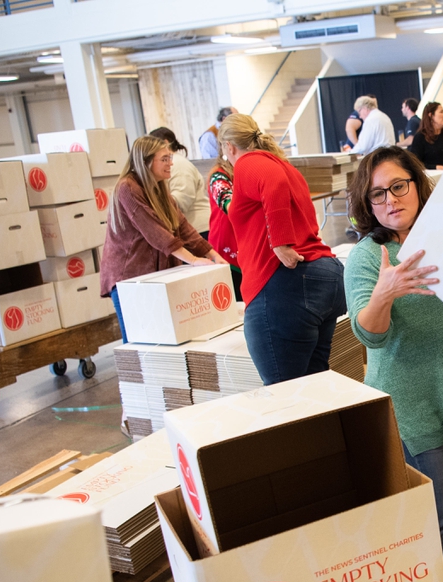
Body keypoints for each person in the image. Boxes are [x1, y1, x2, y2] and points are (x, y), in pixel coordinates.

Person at [343, 146, 443, 582]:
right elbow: (369, 335)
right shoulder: (368, 257)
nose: (390, 199)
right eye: (377, 192)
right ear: (367, 202)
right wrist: (384, 292)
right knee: (430, 510)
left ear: (418, 186)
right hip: (408, 403)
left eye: (399, 185)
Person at [218, 114, 346, 385]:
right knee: (314, 386)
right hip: (320, 277)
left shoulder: (249, 163)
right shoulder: (283, 165)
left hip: (283, 283)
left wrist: (280, 242)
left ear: (229, 146)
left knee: (285, 397)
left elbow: (271, 182)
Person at [100, 136, 222, 343]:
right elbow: (154, 231)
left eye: (170, 158)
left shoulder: (159, 187)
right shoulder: (127, 188)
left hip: (154, 274)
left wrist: (212, 254)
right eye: (164, 159)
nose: (171, 163)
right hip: (130, 275)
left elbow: (182, 225)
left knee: (162, 339)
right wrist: (192, 259)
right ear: (146, 161)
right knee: (138, 341)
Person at [149, 127, 210, 240]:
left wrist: (154, 206)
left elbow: (182, 201)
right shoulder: (172, 164)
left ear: (165, 142)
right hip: (189, 228)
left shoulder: (178, 164)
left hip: (198, 229)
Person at [206, 156, 243, 301]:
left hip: (244, 242)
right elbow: (230, 206)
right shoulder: (219, 176)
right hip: (226, 243)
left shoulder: (246, 172)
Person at [409, 101, 443, 170]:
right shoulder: (420, 137)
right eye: (441, 112)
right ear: (431, 115)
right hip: (432, 177)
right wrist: (436, 167)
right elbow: (415, 163)